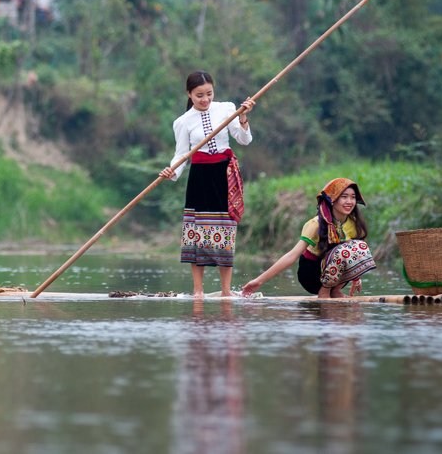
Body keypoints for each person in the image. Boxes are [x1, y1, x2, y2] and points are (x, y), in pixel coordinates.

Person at [159, 70, 255, 297]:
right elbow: (181, 155)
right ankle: (198, 290)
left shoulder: (227, 109)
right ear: (189, 94)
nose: (205, 100)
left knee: (225, 228)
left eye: (209, 94)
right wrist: (171, 171)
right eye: (199, 95)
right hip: (200, 177)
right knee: (198, 232)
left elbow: (244, 140)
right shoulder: (182, 122)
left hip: (224, 175)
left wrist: (243, 117)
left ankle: (225, 290)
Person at [241, 177, 376, 298]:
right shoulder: (315, 224)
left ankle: (335, 291)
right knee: (342, 251)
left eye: (353, 197)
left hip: (336, 275)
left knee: (360, 246)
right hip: (311, 274)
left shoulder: (353, 224)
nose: (349, 201)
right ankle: (324, 292)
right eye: (344, 197)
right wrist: (258, 281)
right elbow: (291, 256)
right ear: (332, 200)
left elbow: (354, 255)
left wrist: (355, 277)